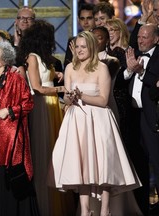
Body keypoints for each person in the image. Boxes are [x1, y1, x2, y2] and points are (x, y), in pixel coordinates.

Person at [50, 31, 141, 216]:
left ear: (91, 47)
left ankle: (105, 210)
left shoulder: (101, 68)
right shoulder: (69, 68)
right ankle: (85, 210)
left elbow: (103, 100)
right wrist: (69, 97)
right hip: (77, 122)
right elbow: (67, 100)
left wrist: (81, 95)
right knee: (81, 166)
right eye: (77, 47)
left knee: (102, 165)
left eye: (84, 47)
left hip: (99, 120)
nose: (80, 50)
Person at [17, 20, 75, 216]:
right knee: (44, 155)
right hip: (41, 106)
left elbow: (46, 78)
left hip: (52, 108)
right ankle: (44, 204)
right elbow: (37, 87)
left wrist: (57, 74)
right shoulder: (32, 57)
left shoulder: (43, 58)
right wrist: (61, 88)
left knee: (54, 153)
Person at [0, 40, 39, 216]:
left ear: (4, 59)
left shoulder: (15, 78)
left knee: (13, 179)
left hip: (11, 138)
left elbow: (28, 104)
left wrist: (8, 111)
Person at [125, 23, 159, 215]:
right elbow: (122, 79)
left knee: (157, 163)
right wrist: (130, 70)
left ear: (156, 39)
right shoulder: (133, 55)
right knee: (138, 165)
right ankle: (141, 208)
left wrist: (141, 72)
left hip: (152, 117)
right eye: (139, 36)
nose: (140, 40)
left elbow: (156, 84)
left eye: (145, 37)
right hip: (134, 118)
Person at [63, 3, 95, 69]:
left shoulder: (100, 39)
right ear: (78, 20)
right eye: (82, 19)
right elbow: (67, 65)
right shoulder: (73, 41)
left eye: (89, 18)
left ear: (95, 19)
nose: (85, 22)